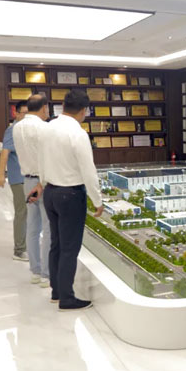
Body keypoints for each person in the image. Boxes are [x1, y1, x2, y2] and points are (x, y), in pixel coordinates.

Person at [36, 90, 103, 310]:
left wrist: (42, 183)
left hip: (50, 192)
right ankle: (67, 297)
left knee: (56, 244)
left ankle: (56, 291)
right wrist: (97, 200)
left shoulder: (46, 128)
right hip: (71, 195)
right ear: (84, 111)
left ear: (63, 106)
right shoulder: (78, 134)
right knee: (69, 248)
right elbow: (88, 170)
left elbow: (40, 160)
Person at [13, 95, 51, 287]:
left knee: (33, 227)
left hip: (27, 181)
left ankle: (35, 271)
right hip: (43, 183)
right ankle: (46, 274)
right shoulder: (44, 128)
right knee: (48, 227)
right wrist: (43, 183)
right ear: (44, 108)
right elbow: (48, 158)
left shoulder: (16, 127)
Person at [0, 100, 29, 261]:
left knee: (30, 213)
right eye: (24, 113)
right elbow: (5, 152)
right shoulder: (12, 130)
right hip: (18, 178)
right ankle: (19, 250)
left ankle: (28, 244)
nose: (27, 117)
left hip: (30, 177)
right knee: (21, 212)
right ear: (16, 113)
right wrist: (1, 175)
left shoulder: (29, 130)